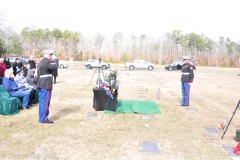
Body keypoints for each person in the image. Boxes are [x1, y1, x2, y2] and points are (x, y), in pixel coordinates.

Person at [37, 50, 58, 124]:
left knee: (42, 102)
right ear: (49, 55)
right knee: (45, 102)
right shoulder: (46, 62)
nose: (51, 56)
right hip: (46, 85)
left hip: (41, 83)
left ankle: (41, 118)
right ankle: (44, 118)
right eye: (51, 55)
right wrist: (56, 59)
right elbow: (56, 66)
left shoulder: (41, 61)